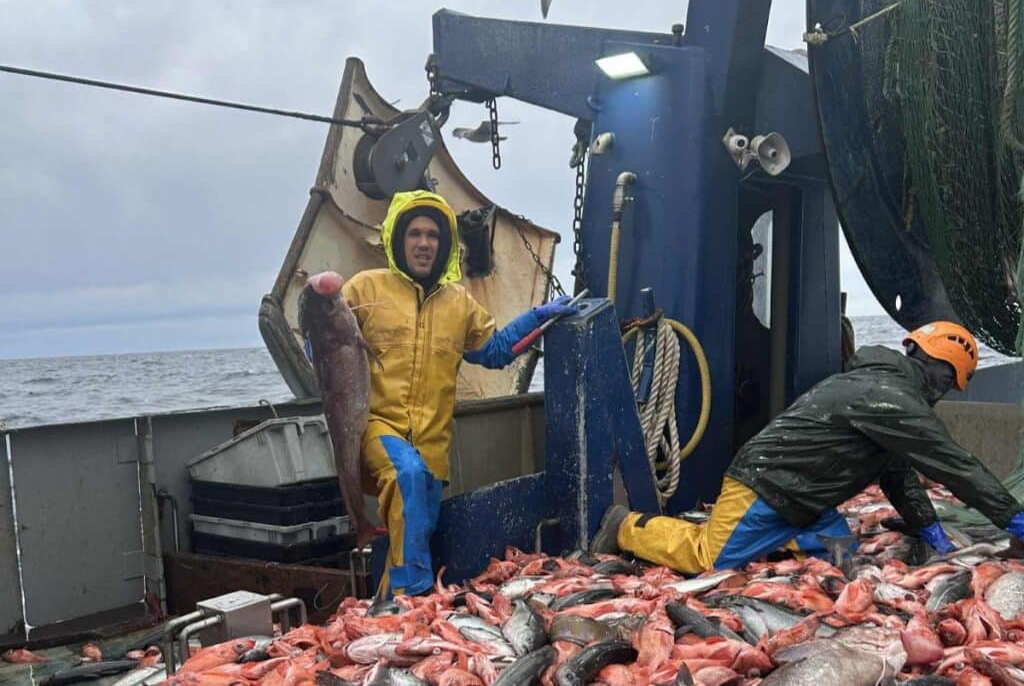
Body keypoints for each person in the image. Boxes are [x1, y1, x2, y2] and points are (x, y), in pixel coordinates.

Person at [590, 321, 1024, 572]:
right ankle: (626, 526)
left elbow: (894, 469)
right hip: (767, 484)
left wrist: (927, 525)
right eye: (947, 379)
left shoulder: (885, 393)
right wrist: (1012, 517)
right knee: (710, 559)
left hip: (807, 498)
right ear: (927, 363)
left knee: (843, 560)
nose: (944, 391)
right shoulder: (891, 396)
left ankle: (788, 540)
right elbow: (955, 465)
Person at [342, 189, 576, 597]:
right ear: (398, 239)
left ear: (445, 244)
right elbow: (326, 339)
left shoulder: (459, 303)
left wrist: (539, 318)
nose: (423, 243)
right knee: (406, 477)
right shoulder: (364, 289)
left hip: (433, 449)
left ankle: (383, 612)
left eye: (433, 235)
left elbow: (496, 351)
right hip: (379, 432)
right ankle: (413, 606)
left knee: (411, 533)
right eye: (414, 233)